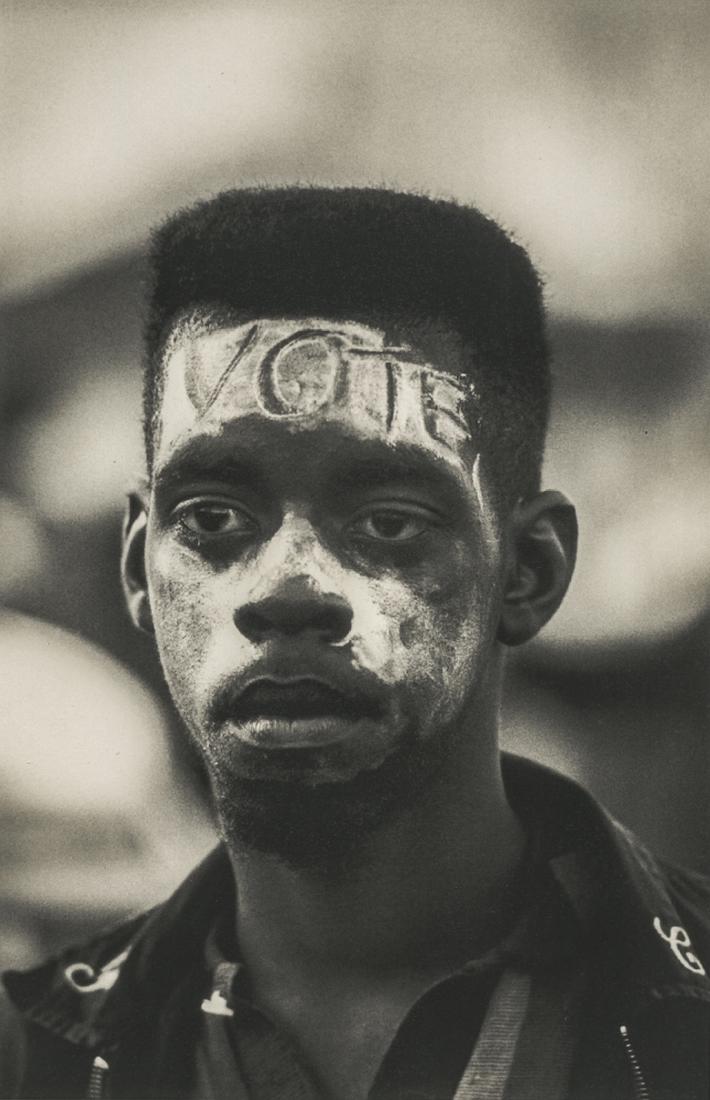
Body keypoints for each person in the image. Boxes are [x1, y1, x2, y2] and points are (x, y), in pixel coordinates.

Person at [1, 187, 708, 1100]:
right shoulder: (39, 1044)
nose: (289, 587)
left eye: (386, 521)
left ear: (529, 570)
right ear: (139, 566)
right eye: (214, 517)